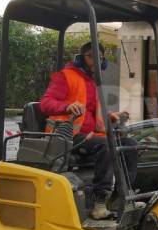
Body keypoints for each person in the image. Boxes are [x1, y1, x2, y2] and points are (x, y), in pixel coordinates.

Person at [40, 41, 137, 220]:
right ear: (79, 59)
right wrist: (67, 106)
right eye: (91, 56)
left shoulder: (93, 83)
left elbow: (93, 115)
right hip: (66, 138)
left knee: (130, 144)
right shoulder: (65, 76)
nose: (97, 61)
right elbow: (45, 103)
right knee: (105, 145)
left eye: (100, 58)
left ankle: (120, 195)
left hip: (91, 137)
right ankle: (99, 202)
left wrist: (112, 116)